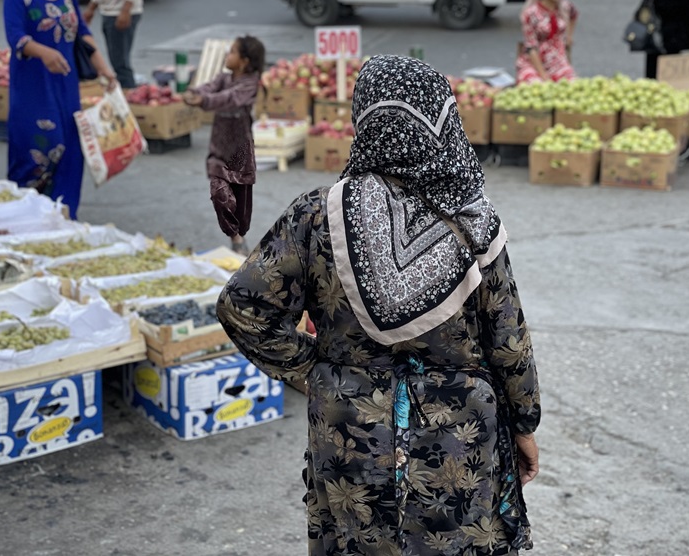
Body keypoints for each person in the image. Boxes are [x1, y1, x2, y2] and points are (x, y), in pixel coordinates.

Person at [217, 54, 542, 556]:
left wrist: (316, 370)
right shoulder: (473, 220)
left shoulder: (317, 214)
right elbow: (509, 341)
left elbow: (243, 307)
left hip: (347, 430)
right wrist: (524, 424)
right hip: (458, 440)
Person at [3, 0, 116, 219]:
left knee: (69, 151)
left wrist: (104, 68)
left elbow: (82, 34)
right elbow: (16, 37)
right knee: (38, 146)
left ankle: (63, 219)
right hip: (32, 88)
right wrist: (44, 52)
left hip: (66, 86)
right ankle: (25, 218)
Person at [183, 35, 264, 254]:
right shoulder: (223, 78)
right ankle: (235, 237)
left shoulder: (250, 84)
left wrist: (204, 101)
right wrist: (194, 93)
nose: (227, 55)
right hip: (219, 146)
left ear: (244, 61)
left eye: (232, 52)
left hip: (240, 149)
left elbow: (229, 98)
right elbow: (209, 88)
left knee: (241, 200)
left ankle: (239, 239)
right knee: (219, 191)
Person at [515, 0, 578, 83]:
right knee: (537, 85)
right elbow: (531, 47)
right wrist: (543, 74)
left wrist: (569, 37)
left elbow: (574, 15)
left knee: (573, 84)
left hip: (558, 61)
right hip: (534, 62)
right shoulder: (531, 13)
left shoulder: (564, 7)